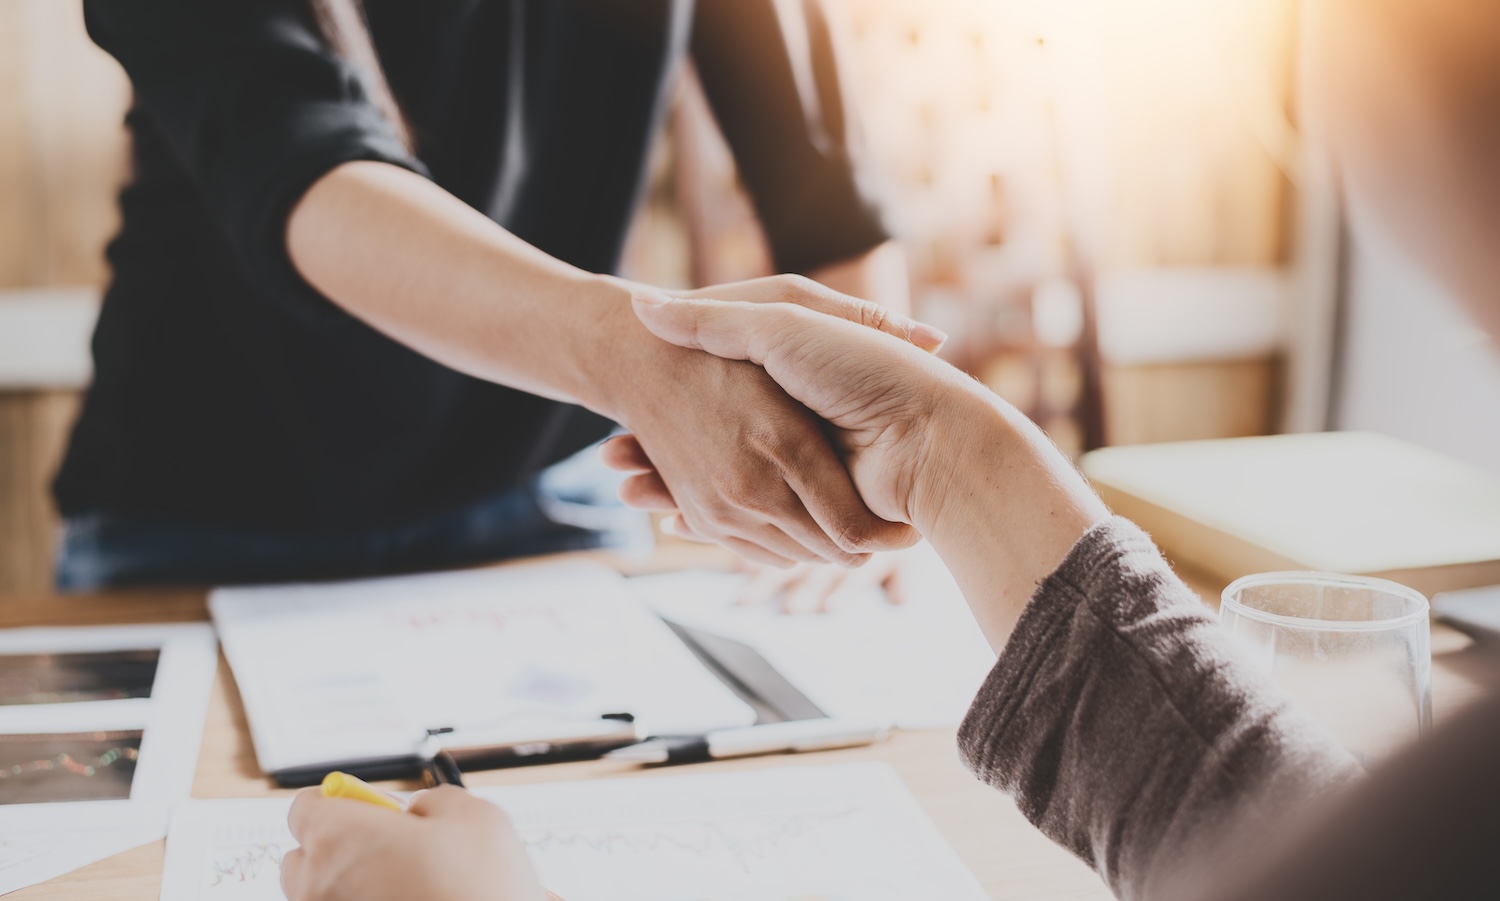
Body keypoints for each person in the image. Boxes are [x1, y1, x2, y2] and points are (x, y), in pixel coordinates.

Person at [280, 0, 1500, 898]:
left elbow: (826, 183)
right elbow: (296, 157)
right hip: (235, 493)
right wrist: (927, 440)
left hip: (552, 485)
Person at [57, 0, 924, 590]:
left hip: (550, 492)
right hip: (205, 521)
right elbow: (310, 176)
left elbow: (825, 196)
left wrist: (862, 473)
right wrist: (630, 356)